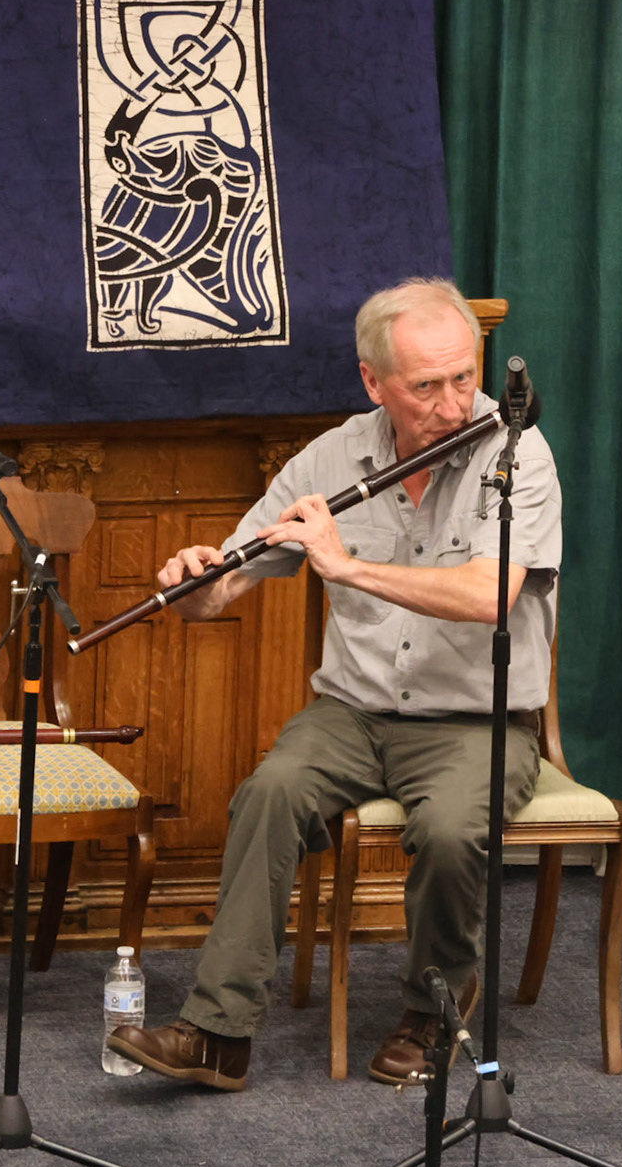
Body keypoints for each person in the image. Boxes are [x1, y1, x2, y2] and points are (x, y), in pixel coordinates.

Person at [104, 277, 562, 1090]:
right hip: (351, 713)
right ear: (373, 382)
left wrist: (347, 566)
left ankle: (433, 1009)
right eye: (426, 387)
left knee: (450, 830)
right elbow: (227, 586)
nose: (453, 404)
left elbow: (489, 595)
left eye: (464, 377)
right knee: (269, 792)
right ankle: (218, 1033)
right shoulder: (331, 457)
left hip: (475, 721)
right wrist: (196, 582)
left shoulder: (516, 453)